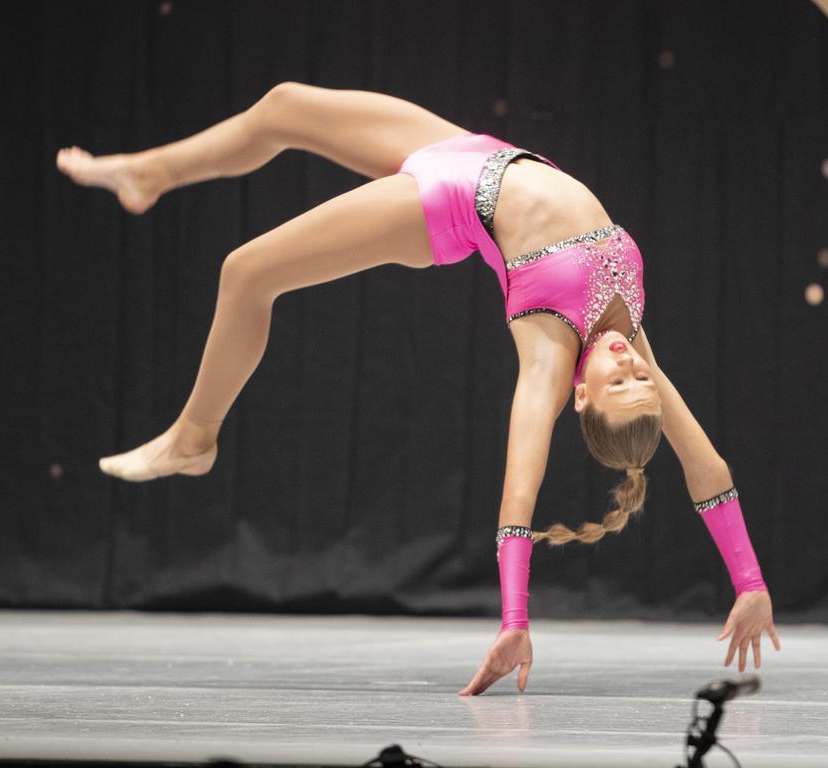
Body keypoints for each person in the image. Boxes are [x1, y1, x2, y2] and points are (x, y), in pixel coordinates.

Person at [56, 82, 780, 696]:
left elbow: (517, 500)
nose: (629, 363)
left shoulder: (548, 363)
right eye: (641, 376)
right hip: (480, 153)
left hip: (450, 202)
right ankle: (148, 173)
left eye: (618, 381)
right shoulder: (628, 337)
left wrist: (515, 623)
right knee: (282, 107)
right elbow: (706, 467)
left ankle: (194, 437)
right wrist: (748, 582)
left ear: (581, 398)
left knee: (246, 272)